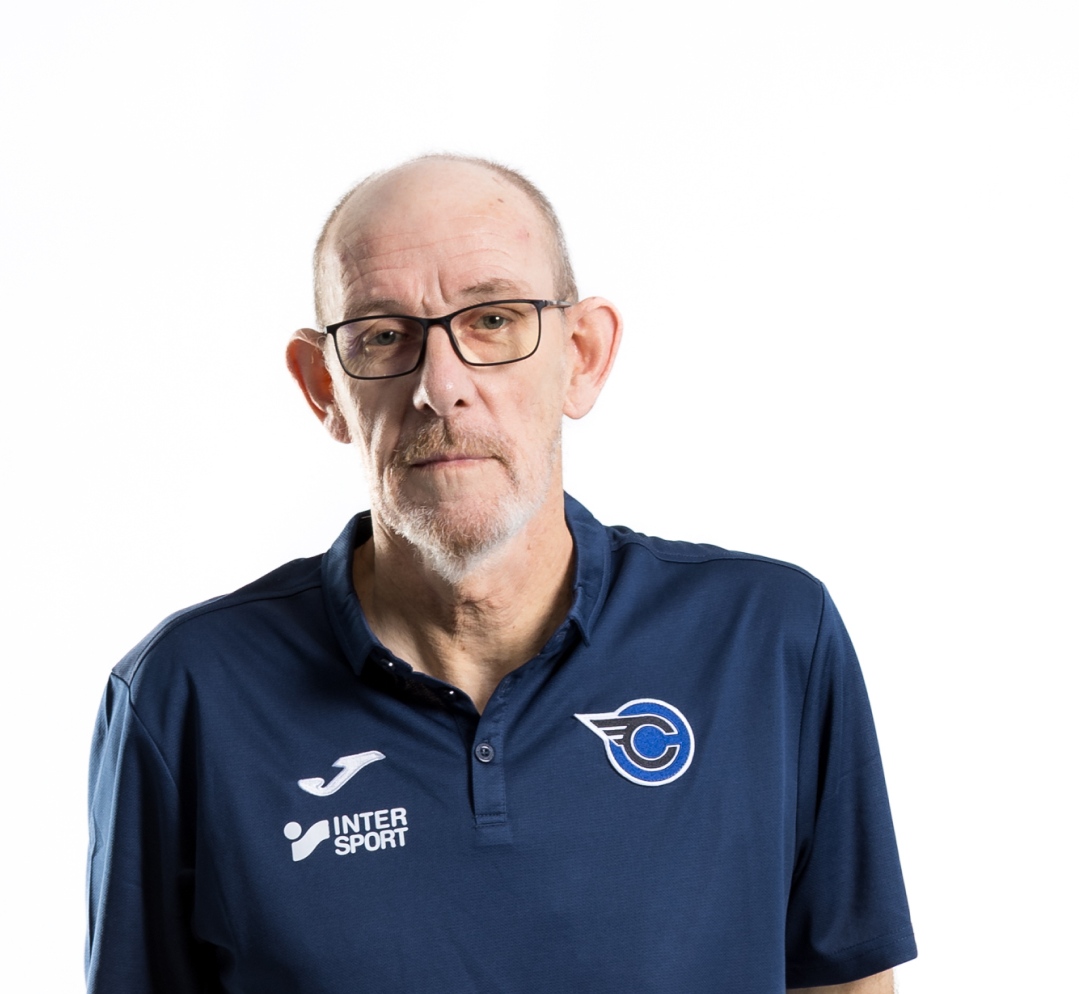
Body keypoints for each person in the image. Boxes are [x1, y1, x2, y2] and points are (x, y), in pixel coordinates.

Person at [86, 155, 916, 993]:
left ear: (583, 356)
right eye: (383, 335)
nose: (440, 387)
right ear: (323, 387)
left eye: (492, 320)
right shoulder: (186, 694)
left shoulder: (766, 643)